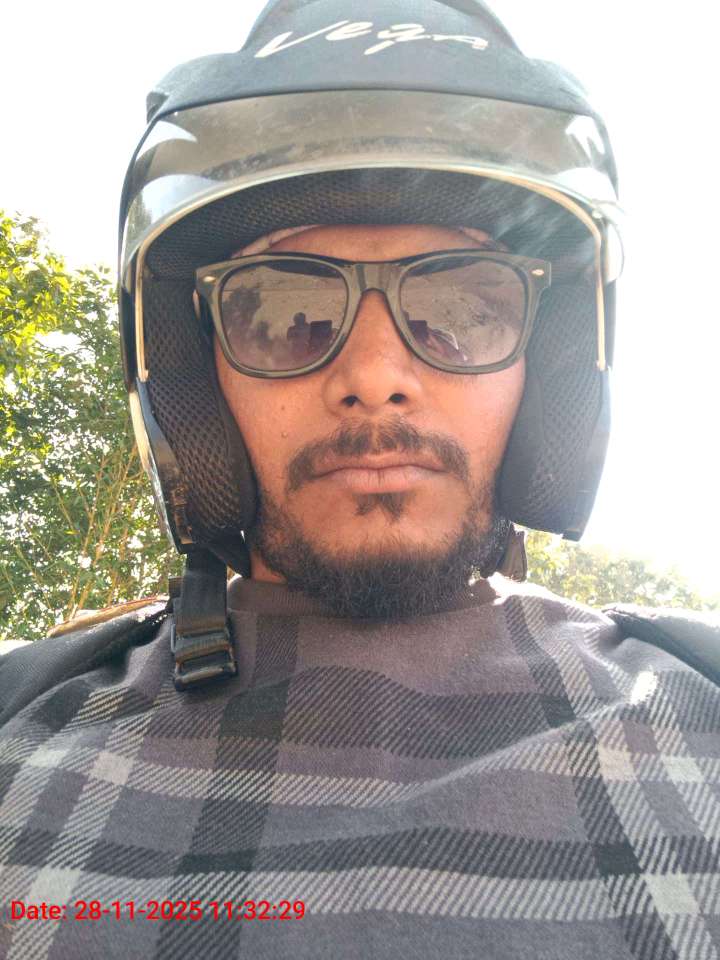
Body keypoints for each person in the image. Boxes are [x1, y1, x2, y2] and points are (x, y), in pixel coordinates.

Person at [1, 1, 719, 957]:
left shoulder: (701, 700)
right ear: (195, 373)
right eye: (281, 309)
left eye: (462, 306)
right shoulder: (20, 724)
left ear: (545, 364)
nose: (375, 376)